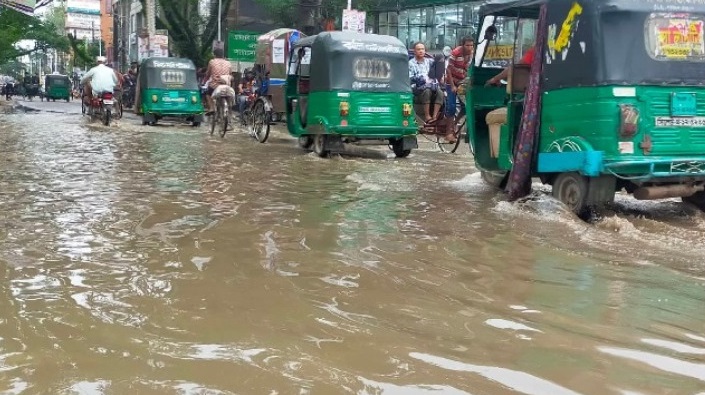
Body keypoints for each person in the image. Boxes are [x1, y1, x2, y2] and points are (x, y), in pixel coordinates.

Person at [409, 41, 444, 123]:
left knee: (440, 92)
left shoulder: (430, 61)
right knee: (427, 91)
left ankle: (435, 116)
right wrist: (421, 79)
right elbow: (410, 78)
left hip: (432, 86)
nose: (421, 51)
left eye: (422, 49)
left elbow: (438, 69)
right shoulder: (410, 63)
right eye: (418, 49)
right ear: (414, 51)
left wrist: (441, 75)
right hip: (418, 88)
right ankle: (427, 116)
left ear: (425, 50)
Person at [446, 37, 474, 116]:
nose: (469, 47)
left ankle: (455, 125)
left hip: (463, 81)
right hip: (451, 81)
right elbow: (448, 69)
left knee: (466, 107)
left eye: (471, 45)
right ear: (462, 45)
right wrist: (452, 86)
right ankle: (449, 128)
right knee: (452, 107)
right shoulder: (456, 52)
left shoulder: (472, 53)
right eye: (467, 45)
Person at [203, 47, 233, 114]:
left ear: (214, 55)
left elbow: (208, 74)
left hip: (215, 85)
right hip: (226, 85)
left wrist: (205, 80)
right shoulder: (228, 63)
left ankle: (211, 108)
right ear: (223, 55)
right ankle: (229, 107)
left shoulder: (212, 62)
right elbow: (230, 74)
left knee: (207, 93)